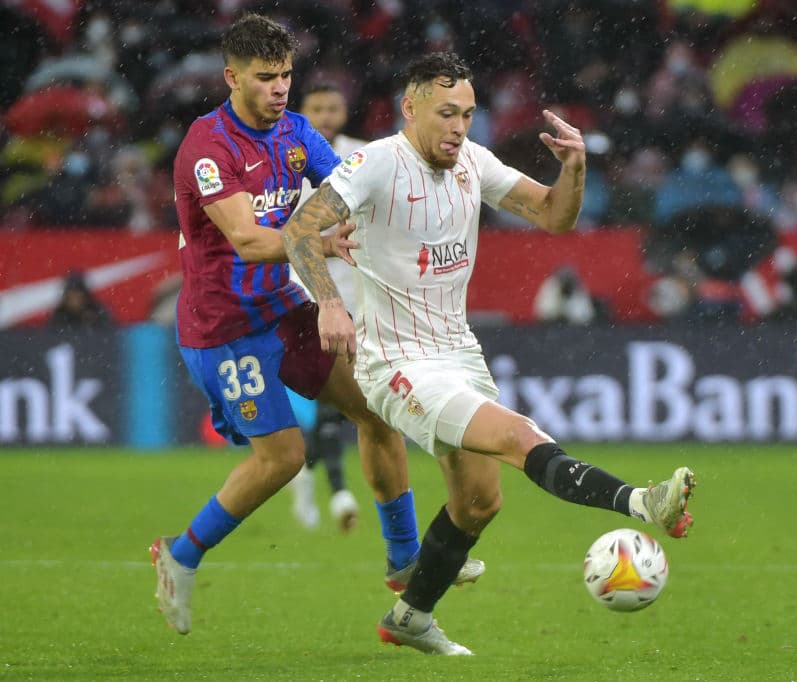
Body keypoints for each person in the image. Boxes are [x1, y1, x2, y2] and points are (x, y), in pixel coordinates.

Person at [282, 51, 697, 656]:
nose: (459, 126)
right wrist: (330, 304)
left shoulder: (474, 162)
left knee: (479, 501)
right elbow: (298, 232)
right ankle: (641, 501)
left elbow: (555, 216)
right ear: (411, 107)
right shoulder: (372, 165)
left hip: (459, 352)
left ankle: (410, 616)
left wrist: (574, 169)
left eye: (469, 114)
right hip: (396, 363)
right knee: (516, 436)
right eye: (446, 113)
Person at [151, 15, 482, 636]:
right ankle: (180, 553)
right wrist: (325, 245)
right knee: (283, 458)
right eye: (266, 77)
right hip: (223, 326)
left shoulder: (298, 134)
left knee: (377, 410)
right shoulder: (209, 148)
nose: (280, 88)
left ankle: (405, 561)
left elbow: (352, 189)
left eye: (286, 76)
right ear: (232, 77)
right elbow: (248, 241)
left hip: (281, 307)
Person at [285, 84, 369, 532]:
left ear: (344, 109)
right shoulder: (286, 161)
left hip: (355, 294)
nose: (326, 114)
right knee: (329, 402)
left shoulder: (362, 156)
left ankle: (307, 476)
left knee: (344, 404)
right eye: (317, 107)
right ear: (304, 112)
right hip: (305, 295)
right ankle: (336, 491)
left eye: (333, 106)